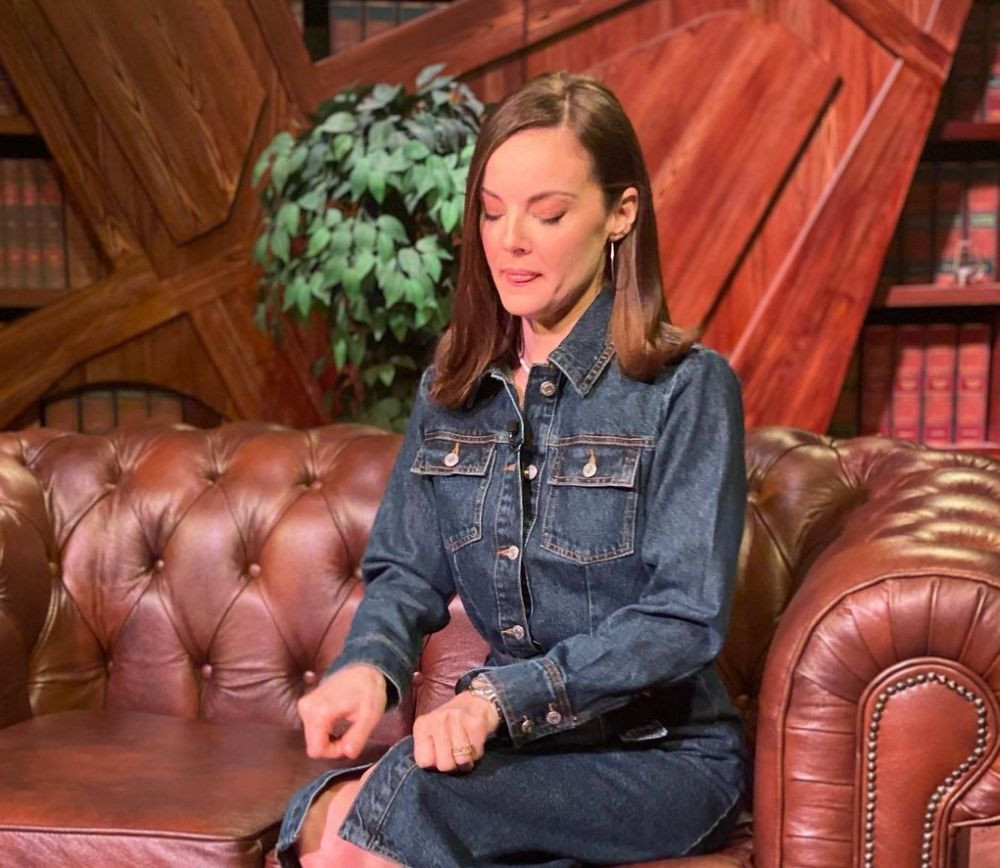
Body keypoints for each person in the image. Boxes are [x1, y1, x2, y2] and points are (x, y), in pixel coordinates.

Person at [276, 70, 748, 868]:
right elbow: (406, 572)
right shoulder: (453, 387)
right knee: (327, 814)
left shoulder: (687, 389)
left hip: (660, 760)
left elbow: (682, 618)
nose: (510, 240)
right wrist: (368, 668)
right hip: (520, 752)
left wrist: (500, 699)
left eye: (548, 213)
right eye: (492, 212)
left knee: (390, 810)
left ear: (620, 214)